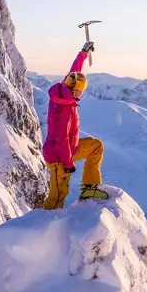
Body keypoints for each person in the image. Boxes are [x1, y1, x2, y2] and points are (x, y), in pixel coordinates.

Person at [42, 42, 109, 209]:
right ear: (75, 91)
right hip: (59, 157)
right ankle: (44, 228)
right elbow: (61, 139)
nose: (82, 92)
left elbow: (74, 73)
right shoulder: (65, 109)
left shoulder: (62, 91)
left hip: (69, 150)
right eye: (81, 90)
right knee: (57, 196)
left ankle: (89, 189)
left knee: (96, 146)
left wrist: (83, 53)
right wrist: (68, 164)